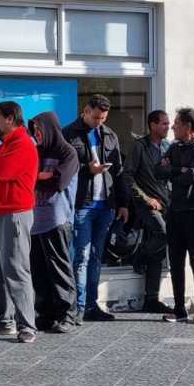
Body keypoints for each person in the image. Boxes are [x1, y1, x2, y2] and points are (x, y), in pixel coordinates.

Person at [0, 101, 39, 343]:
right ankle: (4, 319)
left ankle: (27, 325)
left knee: (16, 270)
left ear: (10, 118)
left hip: (14, 214)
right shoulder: (3, 148)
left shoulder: (22, 145)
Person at [63, 94, 129, 323]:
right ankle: (78, 306)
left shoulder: (110, 135)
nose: (99, 122)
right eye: (96, 117)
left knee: (96, 256)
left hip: (106, 205)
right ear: (86, 110)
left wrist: (123, 203)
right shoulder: (69, 133)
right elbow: (64, 169)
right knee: (80, 256)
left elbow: (119, 171)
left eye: (103, 118)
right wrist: (87, 170)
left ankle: (92, 305)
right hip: (82, 204)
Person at [159, 107, 194, 324]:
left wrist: (175, 170)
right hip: (175, 209)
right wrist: (178, 170)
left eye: (177, 124)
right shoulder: (174, 148)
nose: (173, 127)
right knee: (176, 260)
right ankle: (179, 307)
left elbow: (193, 177)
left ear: (188, 127)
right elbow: (159, 171)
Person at [27, 111, 80, 333]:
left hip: (58, 219)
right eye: (34, 131)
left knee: (60, 269)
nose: (36, 134)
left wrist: (40, 177)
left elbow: (58, 182)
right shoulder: (37, 152)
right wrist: (40, 177)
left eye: (39, 130)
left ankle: (67, 314)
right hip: (35, 219)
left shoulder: (67, 153)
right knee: (39, 270)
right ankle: (46, 314)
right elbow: (28, 177)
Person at [123, 110, 175, 314]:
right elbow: (128, 176)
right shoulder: (139, 147)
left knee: (160, 252)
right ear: (152, 125)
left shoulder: (167, 147)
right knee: (163, 233)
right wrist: (145, 199)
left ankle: (151, 298)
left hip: (166, 204)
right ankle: (138, 257)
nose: (167, 127)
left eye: (168, 123)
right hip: (145, 205)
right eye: (163, 123)